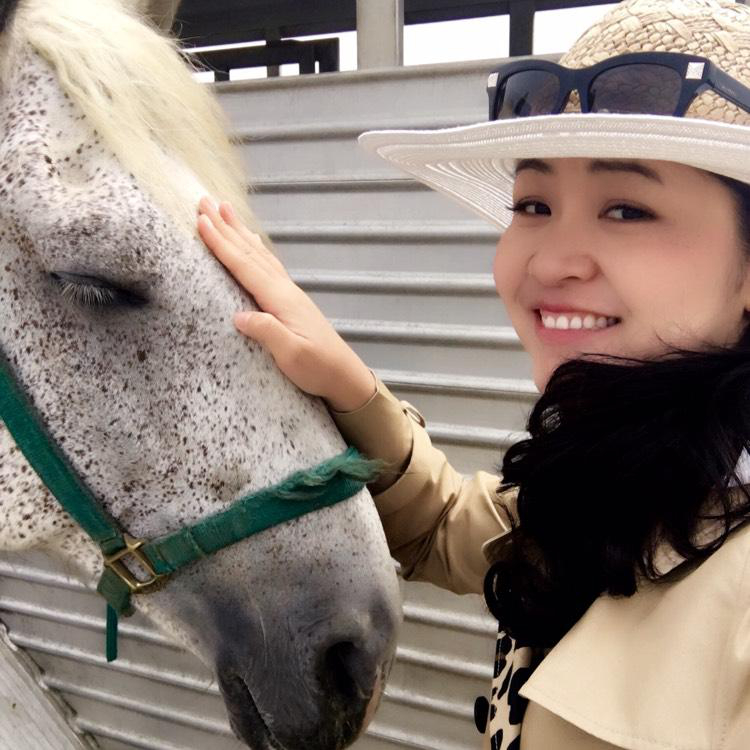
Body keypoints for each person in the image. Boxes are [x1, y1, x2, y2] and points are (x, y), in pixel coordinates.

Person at [195, 1, 750, 747]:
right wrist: (346, 383)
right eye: (533, 204)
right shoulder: (633, 475)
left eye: (626, 210)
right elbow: (447, 526)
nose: (549, 262)